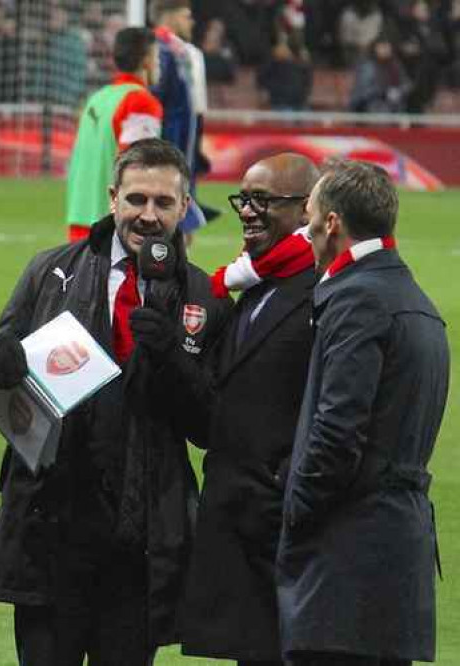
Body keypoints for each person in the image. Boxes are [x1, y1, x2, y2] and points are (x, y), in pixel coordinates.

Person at [0, 138, 230, 666]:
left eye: (162, 202)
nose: (147, 216)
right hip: (52, 528)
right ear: (112, 198)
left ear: (185, 206)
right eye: (136, 199)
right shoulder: (50, 271)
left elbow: (212, 428)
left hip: (143, 541)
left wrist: (172, 361)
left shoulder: (205, 298)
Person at [277, 160, 450, 666]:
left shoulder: (358, 299)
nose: (303, 231)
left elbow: (336, 434)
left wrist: (295, 512)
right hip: (396, 561)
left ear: (331, 222)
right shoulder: (415, 301)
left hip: (345, 572)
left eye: (308, 214)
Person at [178, 153, 320, 666]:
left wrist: (286, 482)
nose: (247, 211)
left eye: (263, 200)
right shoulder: (258, 284)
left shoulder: (326, 294)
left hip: (285, 532)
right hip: (241, 529)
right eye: (244, 199)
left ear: (307, 210)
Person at [65, 27, 162, 243]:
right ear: (146, 60)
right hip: (113, 229)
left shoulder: (97, 99)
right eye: (157, 57)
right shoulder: (140, 101)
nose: (158, 65)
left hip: (79, 219)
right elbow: (138, 167)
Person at [150, 0, 216, 240]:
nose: (192, 21)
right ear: (171, 16)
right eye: (186, 16)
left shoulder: (172, 49)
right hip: (172, 138)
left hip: (175, 137)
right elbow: (193, 108)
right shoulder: (178, 52)